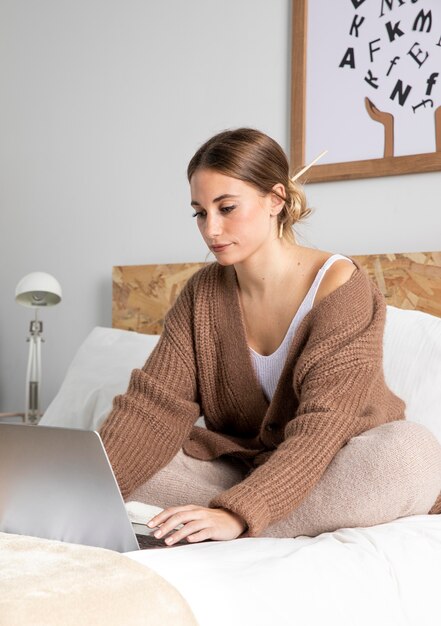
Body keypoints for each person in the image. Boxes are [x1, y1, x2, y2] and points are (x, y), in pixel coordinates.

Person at [100, 128, 441, 546]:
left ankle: (231, 521)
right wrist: (82, 490)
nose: (211, 229)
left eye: (226, 208)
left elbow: (326, 425)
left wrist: (238, 514)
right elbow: (152, 408)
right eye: (200, 212)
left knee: (410, 454)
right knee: (135, 461)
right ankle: (228, 518)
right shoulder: (201, 294)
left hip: (337, 459)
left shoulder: (341, 287)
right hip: (242, 466)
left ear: (275, 200)